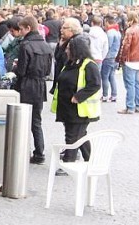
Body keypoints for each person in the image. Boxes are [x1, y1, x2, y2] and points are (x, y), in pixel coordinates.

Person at [50, 35, 101, 168]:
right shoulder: (71, 64)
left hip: (80, 109)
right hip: (68, 108)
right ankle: (91, 160)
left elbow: (95, 84)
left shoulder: (89, 65)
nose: (66, 51)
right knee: (80, 135)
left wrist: (79, 96)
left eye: (69, 48)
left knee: (72, 137)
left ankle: (68, 163)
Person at [13, 16, 53, 165]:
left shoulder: (26, 45)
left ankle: (22, 151)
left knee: (22, 120)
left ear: (28, 28)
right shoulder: (46, 46)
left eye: (22, 29)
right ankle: (39, 152)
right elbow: (49, 70)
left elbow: (21, 71)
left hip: (26, 85)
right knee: (36, 121)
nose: (21, 32)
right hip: (40, 85)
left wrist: (16, 67)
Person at [116, 11, 139, 115]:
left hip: (129, 60)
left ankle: (130, 107)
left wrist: (121, 59)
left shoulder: (129, 31)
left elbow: (125, 47)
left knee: (130, 84)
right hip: (138, 59)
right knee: (137, 84)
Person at [101, 16, 121, 103]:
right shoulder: (117, 32)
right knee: (112, 76)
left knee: (104, 76)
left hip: (108, 57)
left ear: (107, 22)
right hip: (115, 56)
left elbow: (107, 46)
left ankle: (105, 95)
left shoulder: (109, 33)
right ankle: (114, 95)